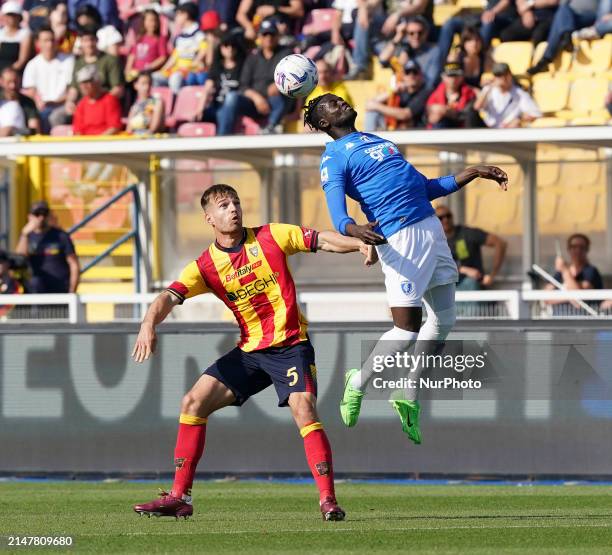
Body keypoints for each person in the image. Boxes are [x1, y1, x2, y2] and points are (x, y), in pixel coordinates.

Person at [131, 183, 375, 520]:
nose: (232, 208)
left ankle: (328, 501)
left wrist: (358, 243)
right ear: (209, 218)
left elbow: (322, 239)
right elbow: (167, 297)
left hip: (290, 346)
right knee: (192, 402)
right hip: (250, 353)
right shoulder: (205, 265)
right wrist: (148, 325)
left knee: (304, 409)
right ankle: (180, 497)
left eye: (235, 202)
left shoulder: (271, 236)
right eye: (223, 205)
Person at [302, 92, 508, 443]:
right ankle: (358, 381)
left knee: (444, 321)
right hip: (399, 238)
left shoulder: (377, 140)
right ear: (324, 123)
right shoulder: (334, 157)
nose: (342, 103)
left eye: (340, 99)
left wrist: (472, 172)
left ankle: (407, 393)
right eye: (333, 104)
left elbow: (425, 188)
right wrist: (355, 230)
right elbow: (338, 214)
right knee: (406, 331)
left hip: (430, 229)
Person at [220, 18, 292, 135]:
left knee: (282, 93)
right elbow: (243, 86)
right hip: (255, 102)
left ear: (277, 36)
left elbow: (294, 76)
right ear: (260, 37)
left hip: (276, 100)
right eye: (265, 34)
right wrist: (256, 98)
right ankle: (223, 136)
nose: (268, 38)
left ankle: (271, 127)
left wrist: (279, 84)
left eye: (272, 34)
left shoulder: (286, 54)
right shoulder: (252, 57)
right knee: (232, 97)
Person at [51, 27, 124, 126]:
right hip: (82, 105)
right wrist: (70, 102)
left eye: (92, 40)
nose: (89, 44)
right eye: (85, 41)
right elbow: (74, 88)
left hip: (104, 103)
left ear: (97, 41)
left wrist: (99, 102)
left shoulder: (110, 60)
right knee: (57, 117)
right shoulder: (78, 63)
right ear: (81, 43)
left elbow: (118, 89)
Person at [436, 205, 507, 291]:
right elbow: (434, 265)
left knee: (470, 282)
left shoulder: (467, 233)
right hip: (448, 288)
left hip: (472, 287)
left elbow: (500, 243)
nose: (445, 220)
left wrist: (492, 275)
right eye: (440, 218)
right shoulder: (434, 241)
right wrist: (462, 269)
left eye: (448, 216)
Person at [15, 200, 80, 294]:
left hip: (59, 291)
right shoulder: (27, 237)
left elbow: (74, 264)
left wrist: (72, 291)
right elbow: (19, 260)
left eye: (44, 214)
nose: (41, 218)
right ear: (29, 216)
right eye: (37, 214)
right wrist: (24, 234)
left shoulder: (61, 236)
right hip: (36, 293)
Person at [22, 26, 75, 134]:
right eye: (46, 41)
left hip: (64, 105)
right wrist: (40, 102)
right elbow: (30, 90)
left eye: (52, 40)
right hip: (42, 107)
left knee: (55, 117)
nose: (50, 44)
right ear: (38, 43)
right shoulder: (32, 65)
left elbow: (72, 88)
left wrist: (59, 101)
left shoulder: (69, 60)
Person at [527, 0, 598, 74]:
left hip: (590, 17)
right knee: (561, 13)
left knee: (560, 18)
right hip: (571, 17)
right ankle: (566, 36)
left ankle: (545, 59)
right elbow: (562, 3)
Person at [153, 2, 209, 94]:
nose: (176, 17)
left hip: (190, 72)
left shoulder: (198, 34)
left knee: (175, 79)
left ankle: (176, 105)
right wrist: (163, 69)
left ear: (186, 15)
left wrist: (193, 65)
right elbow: (175, 56)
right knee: (155, 77)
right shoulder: (180, 36)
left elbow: (203, 51)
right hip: (177, 70)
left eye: (178, 14)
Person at [196, 33, 246, 135]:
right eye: (226, 45)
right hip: (216, 105)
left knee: (229, 102)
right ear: (221, 48)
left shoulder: (244, 66)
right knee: (196, 117)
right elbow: (207, 88)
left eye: (233, 46)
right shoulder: (216, 66)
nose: (230, 49)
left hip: (234, 107)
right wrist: (200, 108)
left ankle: (222, 138)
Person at [363, 59, 428, 131]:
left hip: (417, 133)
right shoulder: (401, 91)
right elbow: (368, 104)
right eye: (408, 72)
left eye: (415, 72)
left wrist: (377, 106)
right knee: (372, 112)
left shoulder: (425, 92)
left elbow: (405, 114)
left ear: (421, 75)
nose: (411, 75)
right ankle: (369, 140)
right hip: (397, 130)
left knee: (375, 108)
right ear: (403, 76)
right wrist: (393, 91)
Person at [378, 15, 440, 90]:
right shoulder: (402, 47)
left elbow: (431, 81)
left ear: (426, 33)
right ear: (406, 34)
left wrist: (407, 84)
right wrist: (398, 36)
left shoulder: (434, 51)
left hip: (421, 94)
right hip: (400, 92)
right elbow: (382, 60)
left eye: (420, 33)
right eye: (411, 33)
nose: (416, 36)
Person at [474, 62, 541, 128]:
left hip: (509, 131)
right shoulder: (489, 89)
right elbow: (477, 107)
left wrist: (519, 119)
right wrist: (488, 88)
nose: (503, 79)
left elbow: (535, 114)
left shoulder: (520, 94)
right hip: (489, 130)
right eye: (498, 75)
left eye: (505, 75)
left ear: (510, 76)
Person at [72, 65, 122, 135]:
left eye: (87, 81)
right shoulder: (81, 104)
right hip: (85, 143)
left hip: (104, 143)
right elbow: (77, 131)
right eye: (81, 83)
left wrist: (98, 143)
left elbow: (114, 127)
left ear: (97, 81)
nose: (83, 86)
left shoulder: (109, 100)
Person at [425, 62, 477, 129]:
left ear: (461, 77)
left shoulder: (469, 94)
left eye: (456, 76)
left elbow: (468, 115)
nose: (453, 79)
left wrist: (448, 112)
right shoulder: (435, 95)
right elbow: (428, 118)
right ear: (443, 77)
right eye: (450, 76)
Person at [124, 9, 169, 83]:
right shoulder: (139, 38)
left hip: (149, 74)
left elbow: (163, 57)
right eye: (150, 20)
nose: (153, 23)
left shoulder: (160, 39)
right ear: (144, 22)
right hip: (135, 74)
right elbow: (132, 55)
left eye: (155, 20)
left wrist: (149, 67)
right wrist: (128, 70)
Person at [236, 0, 304, 41]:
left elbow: (299, 11)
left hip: (281, 34)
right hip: (258, 33)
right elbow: (240, 14)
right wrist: (249, 27)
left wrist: (275, 10)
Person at [0, 67, 41, 135]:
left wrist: (13, 131)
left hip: (20, 142)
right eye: (9, 82)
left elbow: (34, 130)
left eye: (16, 82)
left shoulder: (28, 103)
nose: (13, 86)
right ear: (1, 81)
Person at [0, 2, 33, 73]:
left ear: (19, 17)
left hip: (16, 73)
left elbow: (22, 60)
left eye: (13, 15)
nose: (10, 18)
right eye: (8, 15)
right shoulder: (1, 32)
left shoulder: (25, 33)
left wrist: (9, 72)